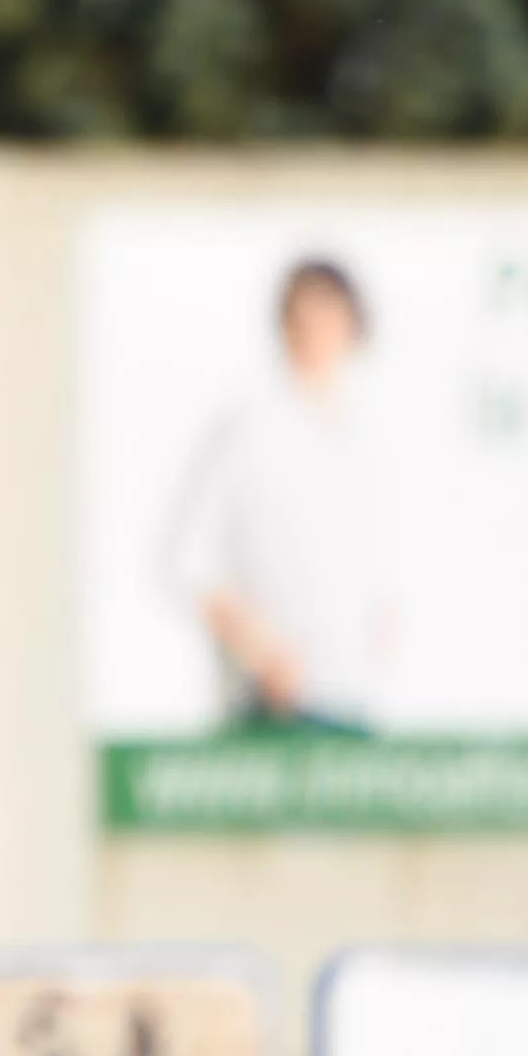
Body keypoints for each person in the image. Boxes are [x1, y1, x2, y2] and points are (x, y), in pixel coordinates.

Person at [163, 257, 389, 729]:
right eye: (303, 321)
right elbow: (188, 562)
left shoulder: (362, 435)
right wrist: (261, 652)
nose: (317, 335)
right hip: (274, 706)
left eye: (330, 319)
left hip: (353, 701)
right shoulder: (252, 427)